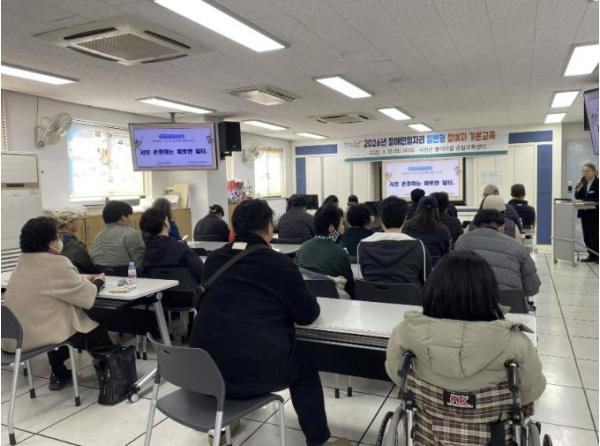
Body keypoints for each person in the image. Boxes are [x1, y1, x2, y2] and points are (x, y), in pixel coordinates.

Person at [190, 199, 350, 446]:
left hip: (205, 369)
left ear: (234, 227)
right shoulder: (279, 263)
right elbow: (307, 314)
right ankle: (319, 440)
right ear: (268, 227)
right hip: (255, 372)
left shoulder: (214, 260)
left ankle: (220, 429)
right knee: (304, 363)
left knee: (229, 345)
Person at [385, 250, 545, 408]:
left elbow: (396, 373)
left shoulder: (405, 332)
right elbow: (532, 391)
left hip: (428, 418)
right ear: (488, 292)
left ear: (432, 289)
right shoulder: (517, 344)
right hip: (494, 422)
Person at [2, 217, 113, 390]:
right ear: (49, 241)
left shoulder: (22, 261)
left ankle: (59, 373)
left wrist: (80, 281)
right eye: (57, 236)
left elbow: (49, 286)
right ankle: (112, 376)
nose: (59, 240)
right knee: (93, 329)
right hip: (36, 336)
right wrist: (99, 281)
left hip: (13, 338)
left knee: (56, 320)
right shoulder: (56, 263)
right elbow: (87, 297)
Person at [454, 209, 541, 296]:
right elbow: (532, 287)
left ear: (474, 226)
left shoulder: (462, 241)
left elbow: (454, 277)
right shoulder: (517, 246)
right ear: (502, 227)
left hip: (470, 300)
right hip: (510, 302)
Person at [358, 196, 431, 285]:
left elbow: (363, 276)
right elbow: (426, 280)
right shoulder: (419, 247)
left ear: (381, 219)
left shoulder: (363, 245)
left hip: (371, 294)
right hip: (409, 294)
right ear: (405, 218)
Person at [295, 205, 354, 297]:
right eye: (341, 223)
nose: (343, 226)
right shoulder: (339, 252)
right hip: (334, 299)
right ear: (331, 228)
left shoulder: (302, 248)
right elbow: (350, 285)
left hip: (307, 297)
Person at [139, 207, 203, 283]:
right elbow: (201, 271)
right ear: (165, 223)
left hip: (157, 289)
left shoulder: (146, 252)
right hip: (186, 289)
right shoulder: (181, 248)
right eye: (167, 219)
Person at [91, 200, 145, 273]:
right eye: (129, 217)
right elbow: (139, 260)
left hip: (100, 273)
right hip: (125, 273)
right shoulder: (131, 233)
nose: (130, 220)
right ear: (123, 217)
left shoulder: (98, 235)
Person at [403, 196, 451, 264]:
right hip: (435, 268)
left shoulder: (407, 227)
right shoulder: (443, 230)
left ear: (418, 209)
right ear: (436, 211)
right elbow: (447, 253)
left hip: (410, 266)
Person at [51, 208, 97, 274]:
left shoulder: (51, 243)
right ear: (69, 225)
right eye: (78, 222)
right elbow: (90, 268)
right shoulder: (77, 246)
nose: (80, 224)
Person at [574, 162, 599, 263]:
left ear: (593, 171)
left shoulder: (598, 183)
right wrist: (577, 189)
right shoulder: (583, 181)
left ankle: (598, 255)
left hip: (594, 214)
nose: (585, 173)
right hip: (584, 213)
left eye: (587, 171)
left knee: (594, 235)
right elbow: (577, 196)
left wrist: (587, 201)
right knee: (587, 236)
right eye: (583, 171)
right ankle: (591, 255)